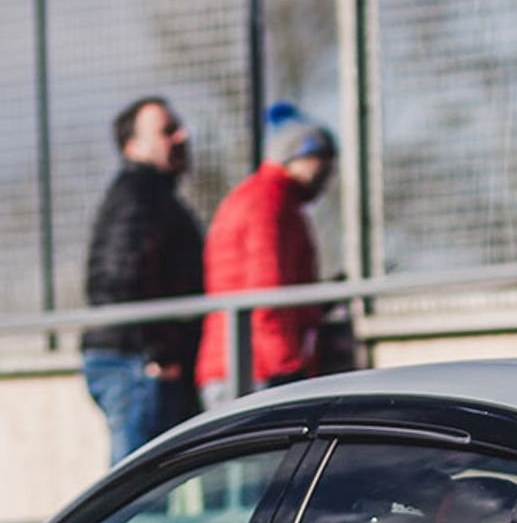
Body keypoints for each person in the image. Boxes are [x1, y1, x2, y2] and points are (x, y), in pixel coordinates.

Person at [78, 96, 204, 462]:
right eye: (167, 131)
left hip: (136, 360)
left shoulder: (152, 195)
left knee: (147, 500)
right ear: (133, 145)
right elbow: (116, 279)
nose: (182, 136)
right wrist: (156, 351)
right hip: (134, 362)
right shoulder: (139, 194)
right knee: (137, 507)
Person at [196, 103, 340, 404]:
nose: (328, 175)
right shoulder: (269, 202)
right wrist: (285, 368)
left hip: (245, 363)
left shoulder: (270, 198)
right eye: (322, 162)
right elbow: (267, 292)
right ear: (299, 157)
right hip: (251, 369)